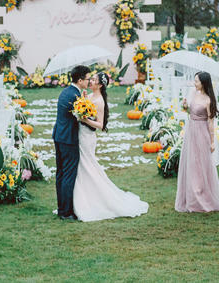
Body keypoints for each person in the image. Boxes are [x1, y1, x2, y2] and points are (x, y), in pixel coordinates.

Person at [73, 72, 148, 221]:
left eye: (94, 80)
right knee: (82, 166)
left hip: (87, 136)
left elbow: (100, 125)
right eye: (91, 79)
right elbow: (84, 108)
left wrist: (85, 120)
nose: (91, 81)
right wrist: (83, 99)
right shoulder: (89, 96)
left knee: (87, 165)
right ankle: (82, 199)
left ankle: (93, 201)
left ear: (100, 85)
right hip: (80, 133)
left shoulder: (100, 101)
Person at [175, 72, 219, 213]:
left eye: (197, 81)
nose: (194, 83)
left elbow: (211, 123)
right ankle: (191, 196)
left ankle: (201, 195)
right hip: (191, 131)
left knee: (200, 164)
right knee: (191, 163)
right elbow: (191, 112)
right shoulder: (194, 93)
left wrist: (212, 142)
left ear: (203, 83)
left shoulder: (208, 100)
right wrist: (185, 106)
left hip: (201, 132)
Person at [52, 65, 90, 220]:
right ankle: (66, 212)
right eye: (87, 79)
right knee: (68, 174)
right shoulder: (74, 96)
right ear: (80, 80)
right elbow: (82, 117)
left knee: (61, 173)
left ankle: (62, 208)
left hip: (59, 136)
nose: (88, 82)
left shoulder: (68, 91)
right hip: (68, 139)